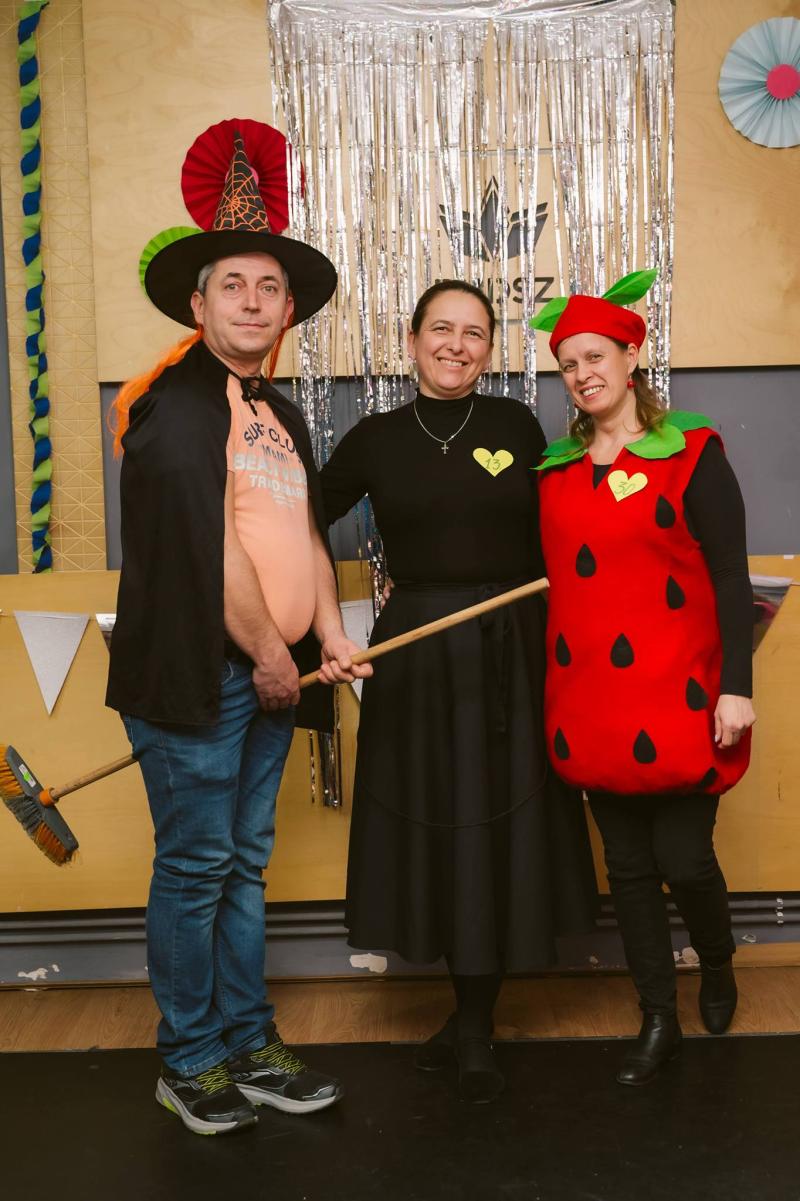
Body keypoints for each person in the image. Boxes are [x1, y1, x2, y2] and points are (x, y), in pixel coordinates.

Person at [106, 126, 369, 1135]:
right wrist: (268, 654)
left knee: (240, 865)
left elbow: (303, 535)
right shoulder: (177, 408)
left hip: (270, 673)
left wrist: (325, 638)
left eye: (268, 287)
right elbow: (209, 546)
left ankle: (248, 1042)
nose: (252, 301)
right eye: (233, 286)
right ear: (198, 304)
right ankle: (190, 1059)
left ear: (287, 308)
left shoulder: (278, 413)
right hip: (201, 676)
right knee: (196, 867)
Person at [319, 280, 597, 1104]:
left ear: (489, 349)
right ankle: (467, 1014)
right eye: (441, 328)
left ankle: (475, 1020)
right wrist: (319, 626)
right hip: (415, 651)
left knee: (500, 825)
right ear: (411, 341)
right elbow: (294, 525)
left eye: (475, 333)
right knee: (437, 822)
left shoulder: (516, 426)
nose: (457, 344)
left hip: (514, 646)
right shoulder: (373, 437)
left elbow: (569, 523)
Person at [532, 274, 756, 1086]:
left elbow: (730, 576)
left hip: (683, 692)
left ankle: (718, 962)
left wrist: (737, 685)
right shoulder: (555, 470)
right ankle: (658, 1014)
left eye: (595, 357)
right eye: (567, 364)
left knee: (685, 859)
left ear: (632, 357)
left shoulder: (693, 454)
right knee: (625, 868)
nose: (581, 374)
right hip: (592, 698)